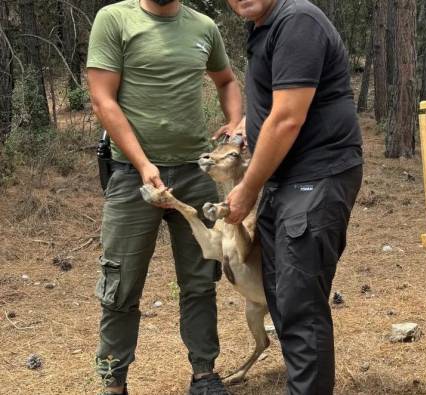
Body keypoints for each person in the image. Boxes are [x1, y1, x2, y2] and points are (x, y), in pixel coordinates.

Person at [86, 0, 243, 393]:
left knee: (201, 280)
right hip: (131, 177)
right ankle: (113, 381)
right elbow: (102, 99)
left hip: (194, 174)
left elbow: (226, 79)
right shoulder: (115, 19)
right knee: (120, 284)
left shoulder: (203, 26)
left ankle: (204, 373)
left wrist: (235, 120)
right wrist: (143, 165)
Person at [224, 0, 363, 394]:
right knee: (282, 296)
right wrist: (242, 131)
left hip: (316, 175)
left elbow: (287, 118)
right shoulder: (264, 27)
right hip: (285, 181)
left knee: (300, 304)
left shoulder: (297, 20)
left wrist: (248, 186)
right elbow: (270, 108)